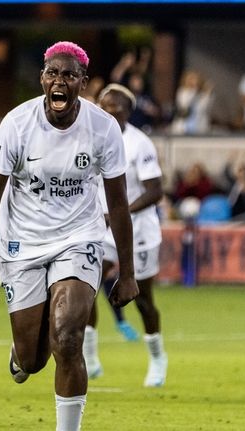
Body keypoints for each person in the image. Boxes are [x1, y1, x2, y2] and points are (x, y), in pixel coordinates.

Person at [0, 42, 138, 431]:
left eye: (69, 75)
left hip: (78, 237)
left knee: (67, 337)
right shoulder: (18, 123)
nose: (59, 81)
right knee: (33, 361)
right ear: (42, 79)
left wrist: (128, 272)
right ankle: (21, 354)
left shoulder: (104, 128)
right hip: (22, 243)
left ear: (82, 82)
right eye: (53, 73)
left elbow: (117, 204)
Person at [83, 83, 168, 387]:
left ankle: (157, 358)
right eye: (103, 107)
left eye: (115, 108)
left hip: (137, 229)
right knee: (85, 286)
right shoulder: (90, 139)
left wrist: (121, 213)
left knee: (143, 300)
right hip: (100, 229)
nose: (107, 112)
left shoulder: (139, 144)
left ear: (128, 112)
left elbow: (156, 191)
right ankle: (89, 358)